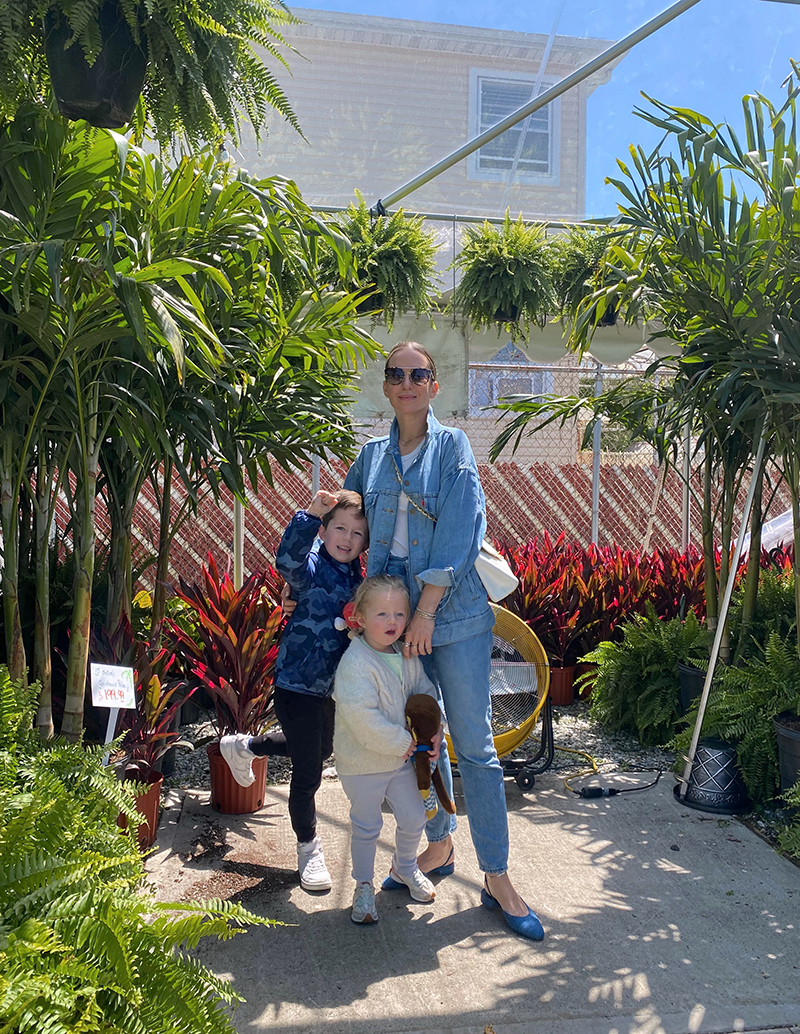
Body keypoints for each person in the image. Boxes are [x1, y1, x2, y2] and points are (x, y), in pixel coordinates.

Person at [343, 341, 545, 941]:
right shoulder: (374, 456)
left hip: (449, 617)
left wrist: (426, 612)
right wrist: (325, 523)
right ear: (386, 386)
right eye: (396, 374)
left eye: (419, 374)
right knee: (419, 739)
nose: (407, 382)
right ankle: (438, 845)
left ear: (435, 385)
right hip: (393, 620)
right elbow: (351, 518)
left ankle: (498, 876)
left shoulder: (453, 447)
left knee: (476, 747)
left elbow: (460, 535)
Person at [220, 488, 367, 892]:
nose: (347, 538)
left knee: (321, 750)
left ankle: (246, 746)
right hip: (296, 683)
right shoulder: (313, 565)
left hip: (330, 689)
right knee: (308, 774)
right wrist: (310, 513)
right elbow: (287, 559)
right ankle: (308, 849)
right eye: (339, 527)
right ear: (324, 530)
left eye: (357, 533)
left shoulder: (359, 578)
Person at [333, 574, 438, 924]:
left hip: (401, 759)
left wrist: (433, 732)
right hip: (363, 763)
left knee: (413, 817)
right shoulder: (355, 663)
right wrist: (404, 742)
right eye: (381, 615)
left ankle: (405, 867)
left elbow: (424, 692)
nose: (391, 622)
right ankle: (363, 886)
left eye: (398, 614)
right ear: (360, 618)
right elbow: (361, 717)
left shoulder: (404, 654)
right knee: (366, 824)